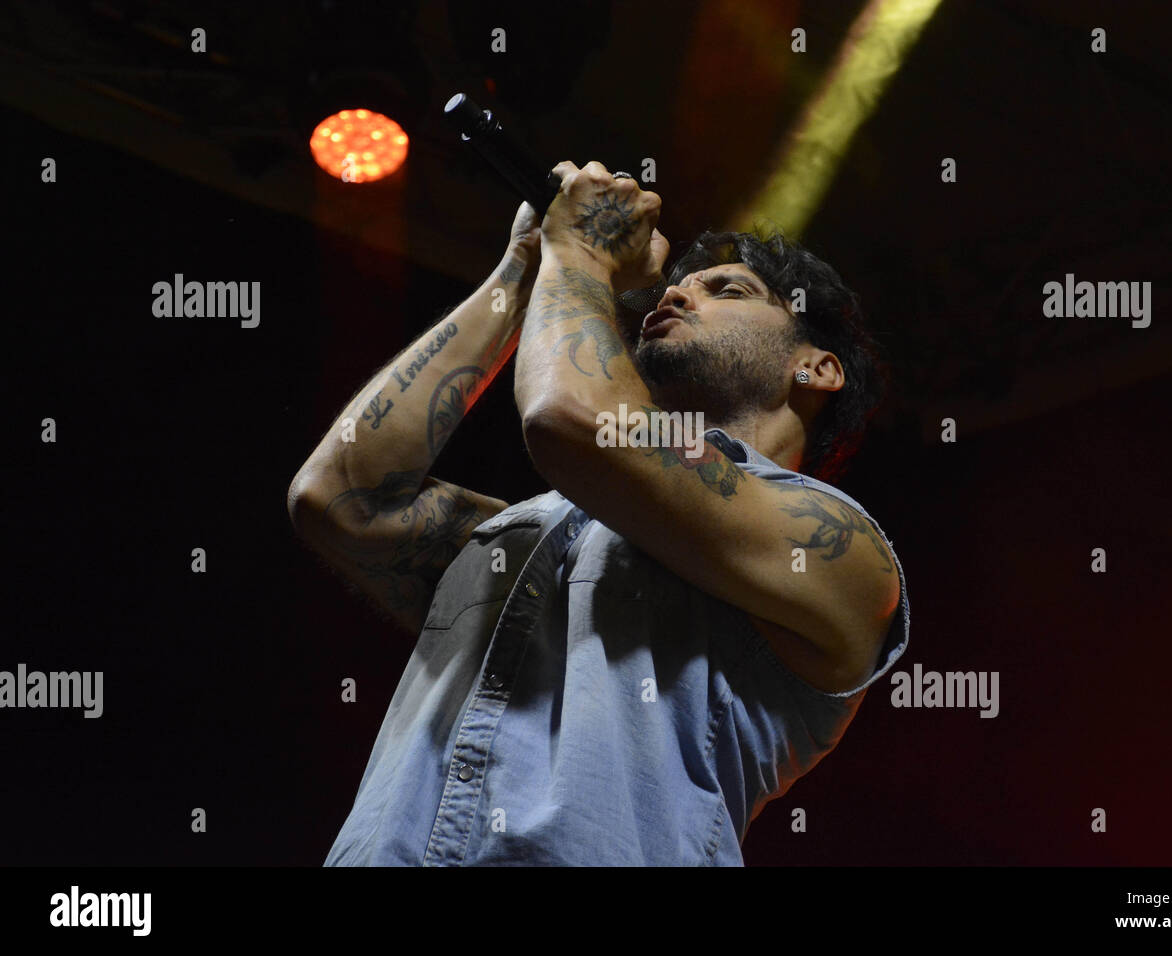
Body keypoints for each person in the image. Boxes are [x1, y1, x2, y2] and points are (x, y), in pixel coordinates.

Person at [288, 161, 910, 866]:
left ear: (817, 368)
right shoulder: (531, 530)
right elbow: (343, 497)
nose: (675, 294)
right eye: (676, 284)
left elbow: (569, 419)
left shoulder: (840, 547)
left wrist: (581, 251)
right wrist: (523, 270)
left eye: (727, 288)